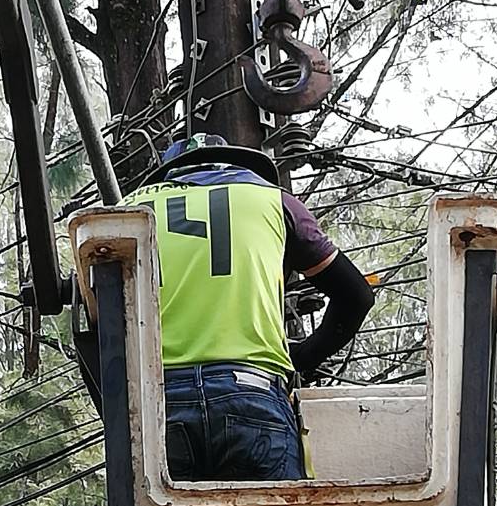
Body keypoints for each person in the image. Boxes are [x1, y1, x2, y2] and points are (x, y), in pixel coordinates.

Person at [124, 133, 374, 481]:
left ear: (170, 172)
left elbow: (95, 317)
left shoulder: (129, 211)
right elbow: (356, 296)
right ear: (236, 166)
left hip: (160, 404)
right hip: (253, 394)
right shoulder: (273, 200)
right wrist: (302, 358)